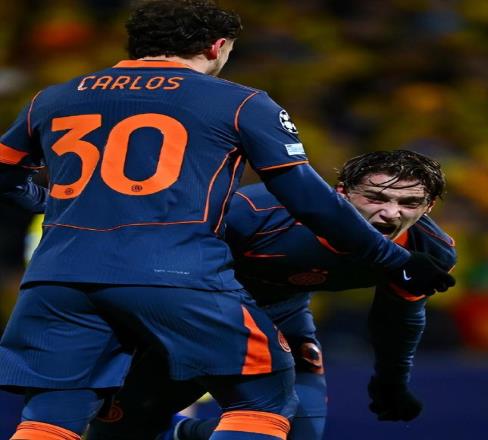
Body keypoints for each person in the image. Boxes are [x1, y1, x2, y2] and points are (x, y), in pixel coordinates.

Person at [0, 0, 453, 438]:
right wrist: (393, 260)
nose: (391, 212)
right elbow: (305, 195)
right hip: (176, 277)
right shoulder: (240, 104)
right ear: (217, 47)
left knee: (50, 418)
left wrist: (46, 201)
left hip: (57, 278)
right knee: (263, 403)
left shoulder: (52, 98)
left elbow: (4, 175)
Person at [85, 150, 457, 440]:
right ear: (341, 193)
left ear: (428, 207)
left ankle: (183, 433)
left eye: (410, 203)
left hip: (283, 317)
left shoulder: (428, 251)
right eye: (376, 197)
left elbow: (398, 317)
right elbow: (156, 263)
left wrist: (391, 380)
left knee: (297, 434)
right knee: (119, 432)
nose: (391, 213)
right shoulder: (256, 211)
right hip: (197, 316)